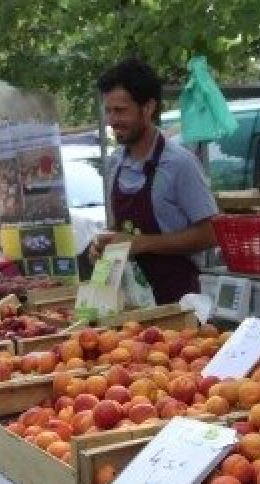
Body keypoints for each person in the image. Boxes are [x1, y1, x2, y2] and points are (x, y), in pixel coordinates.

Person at [91, 57, 218, 304]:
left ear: (148, 108)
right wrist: (103, 245)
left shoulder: (180, 164)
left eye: (120, 111)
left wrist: (142, 244)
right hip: (131, 303)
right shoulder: (116, 164)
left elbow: (212, 233)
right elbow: (122, 230)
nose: (112, 120)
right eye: (108, 110)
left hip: (178, 303)